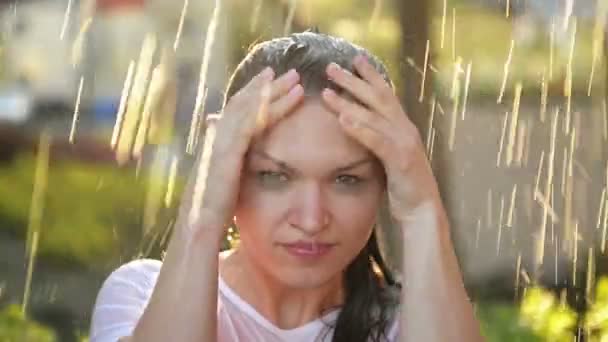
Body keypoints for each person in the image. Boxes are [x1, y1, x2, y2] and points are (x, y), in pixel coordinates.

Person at [89, 31, 484, 342]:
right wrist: (203, 215)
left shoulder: (414, 323)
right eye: (275, 176)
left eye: (346, 179)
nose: (311, 219)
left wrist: (422, 214)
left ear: (385, 183)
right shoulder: (140, 297)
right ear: (229, 173)